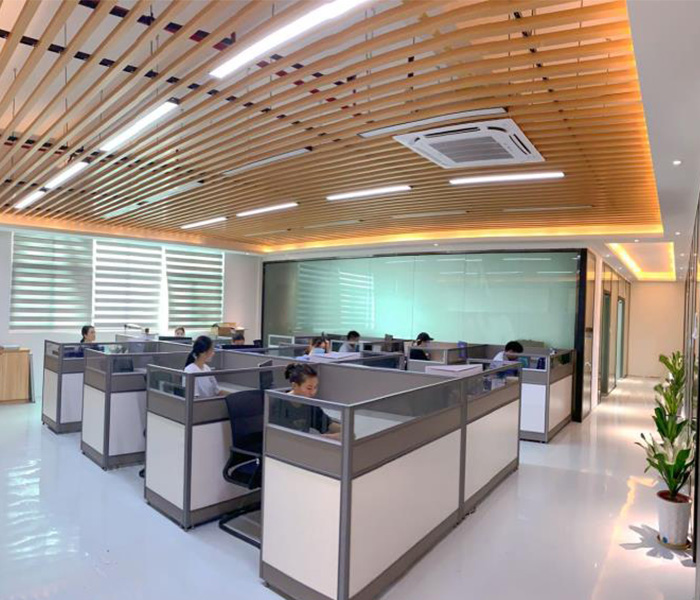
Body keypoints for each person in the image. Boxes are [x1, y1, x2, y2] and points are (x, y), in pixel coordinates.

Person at [271, 363, 340, 440]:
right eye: (309, 388)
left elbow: (329, 425)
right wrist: (327, 437)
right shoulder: (279, 405)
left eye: (315, 387)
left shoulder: (310, 404)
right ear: (294, 386)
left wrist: (345, 432)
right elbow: (284, 437)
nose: (313, 392)